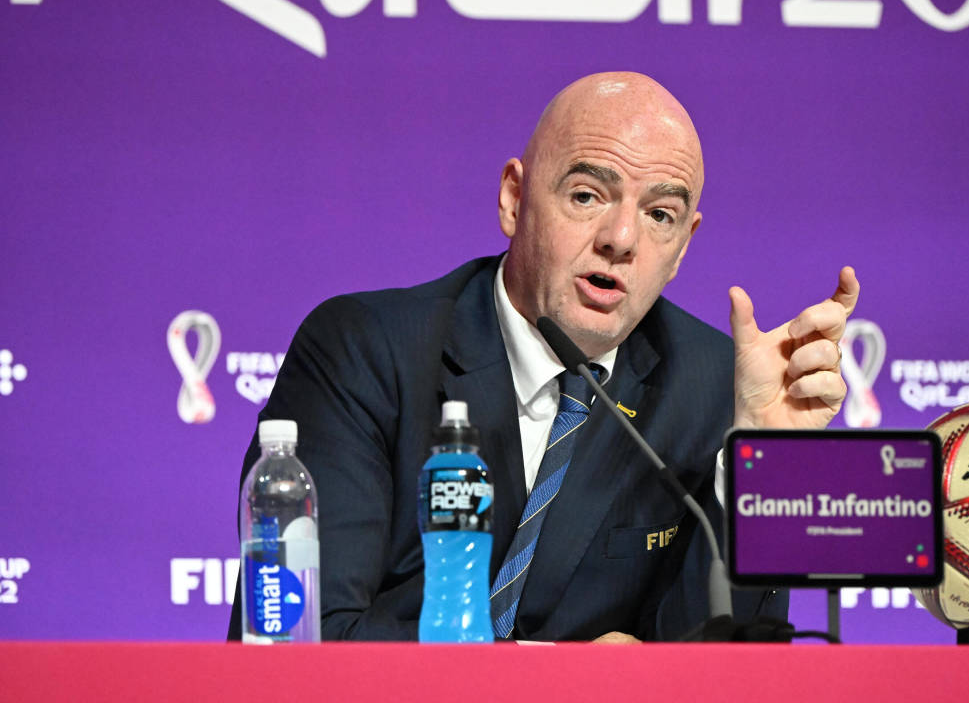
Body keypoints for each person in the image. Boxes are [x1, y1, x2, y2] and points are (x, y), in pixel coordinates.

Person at [228, 72, 858, 642]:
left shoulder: (716, 388)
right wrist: (562, 681)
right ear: (513, 199)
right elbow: (303, 645)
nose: (620, 240)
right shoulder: (367, 350)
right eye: (587, 196)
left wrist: (764, 465)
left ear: (684, 246)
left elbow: (732, 666)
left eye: (660, 214)